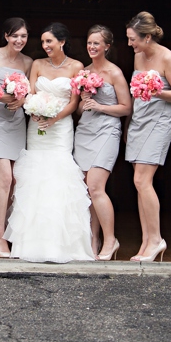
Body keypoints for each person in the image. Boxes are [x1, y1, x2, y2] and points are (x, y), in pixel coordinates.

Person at [4, 22, 95, 263]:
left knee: (59, 175)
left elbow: (74, 103)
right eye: (43, 42)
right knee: (36, 176)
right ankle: (30, 243)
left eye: (49, 41)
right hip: (37, 127)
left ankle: (62, 244)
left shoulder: (76, 66)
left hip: (61, 128)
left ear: (62, 42)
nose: (45, 46)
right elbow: (30, 92)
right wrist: (34, 110)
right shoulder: (37, 64)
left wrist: (55, 117)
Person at [125, 12, 171, 262]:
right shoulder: (139, 55)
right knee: (138, 182)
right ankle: (146, 241)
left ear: (147, 37)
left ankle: (157, 239)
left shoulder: (167, 57)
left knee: (143, 180)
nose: (130, 44)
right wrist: (129, 124)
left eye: (133, 39)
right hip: (140, 118)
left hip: (160, 119)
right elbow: (133, 93)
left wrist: (156, 90)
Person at [73, 25, 131, 260]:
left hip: (107, 132)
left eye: (97, 43)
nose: (92, 47)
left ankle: (110, 240)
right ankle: (92, 239)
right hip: (85, 131)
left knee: (96, 186)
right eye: (89, 42)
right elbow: (78, 110)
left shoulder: (114, 72)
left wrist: (100, 106)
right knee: (87, 190)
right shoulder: (83, 72)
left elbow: (126, 107)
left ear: (107, 46)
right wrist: (84, 100)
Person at [0, 17, 33, 258]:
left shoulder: (28, 62)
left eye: (23, 36)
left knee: (15, 182)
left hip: (16, 123)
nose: (19, 40)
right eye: (15, 36)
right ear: (6, 36)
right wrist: (1, 96)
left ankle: (11, 234)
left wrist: (21, 99)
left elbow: (30, 92)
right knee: (4, 178)